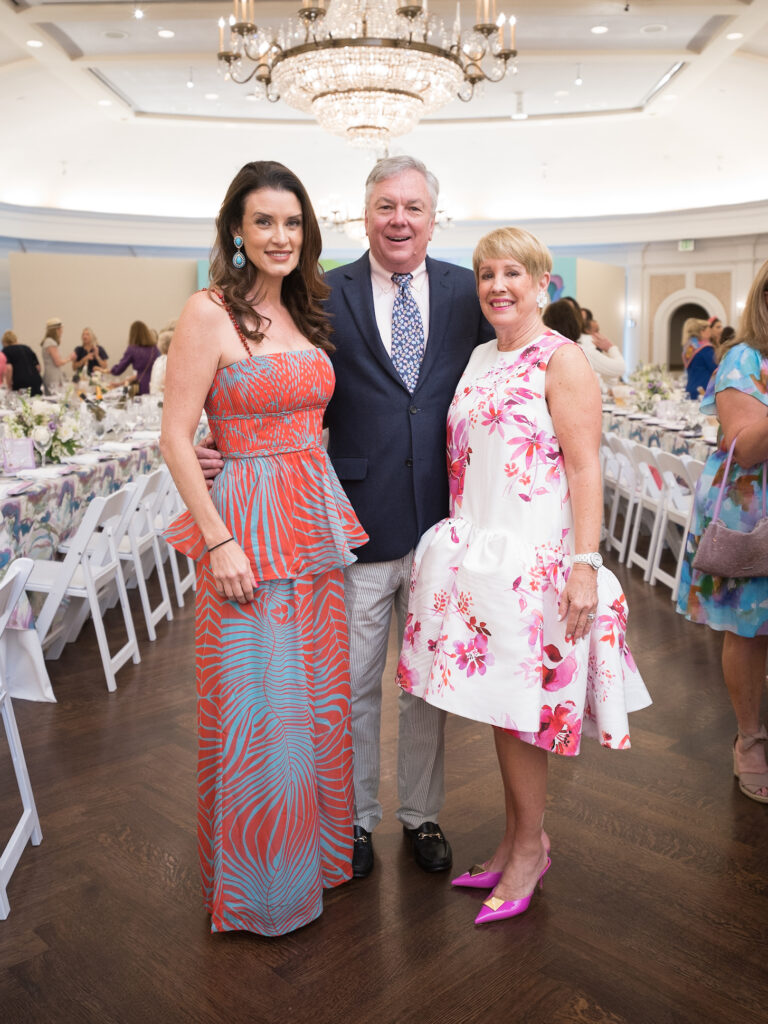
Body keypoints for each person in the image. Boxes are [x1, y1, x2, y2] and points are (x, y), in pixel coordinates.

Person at [196, 155, 494, 879]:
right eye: (386, 206)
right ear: (363, 215)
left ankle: (421, 814)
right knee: (350, 684)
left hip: (444, 526)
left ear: (434, 219)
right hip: (349, 523)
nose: (399, 220)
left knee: (427, 684)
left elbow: (507, 366)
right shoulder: (319, 292)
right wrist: (219, 441)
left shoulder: (467, 291)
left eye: (414, 208)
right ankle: (353, 821)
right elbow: (279, 382)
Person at [396, 227, 650, 925]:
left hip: (537, 561)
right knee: (500, 711)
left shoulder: (562, 359)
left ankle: (531, 852)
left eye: (513, 273)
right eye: (486, 274)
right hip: (481, 557)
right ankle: (516, 841)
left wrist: (584, 567)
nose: (497, 286)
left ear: (542, 284)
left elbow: (585, 469)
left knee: (523, 718)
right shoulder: (482, 355)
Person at [160, 160, 367, 936]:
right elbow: (175, 437)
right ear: (237, 233)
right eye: (264, 223)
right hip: (245, 529)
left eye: (293, 222)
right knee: (258, 708)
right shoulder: (207, 310)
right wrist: (219, 540)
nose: (281, 236)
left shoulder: (306, 311)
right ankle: (263, 892)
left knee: (316, 703)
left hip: (312, 525)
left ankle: (316, 863)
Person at [677, 260, 768, 803]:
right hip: (754, 518)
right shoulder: (744, 358)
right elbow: (747, 445)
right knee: (751, 628)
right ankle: (750, 740)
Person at [100, 320, 159, 395]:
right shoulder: (155, 348)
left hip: (141, 384)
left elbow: (119, 369)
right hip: (155, 383)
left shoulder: (132, 349)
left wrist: (109, 370)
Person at [578, 308, 626, 387]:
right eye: (596, 331)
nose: (598, 335)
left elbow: (610, 377)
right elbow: (620, 368)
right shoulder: (586, 343)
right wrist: (611, 347)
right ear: (587, 330)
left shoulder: (590, 345)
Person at [682, 317, 716, 399]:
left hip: (690, 388)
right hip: (703, 390)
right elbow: (715, 369)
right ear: (702, 332)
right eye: (709, 330)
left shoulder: (690, 347)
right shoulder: (706, 349)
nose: (711, 332)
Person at [2, 330, 43, 395]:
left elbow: (9, 368)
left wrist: (9, 385)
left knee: (22, 400)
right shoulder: (27, 348)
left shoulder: (6, 350)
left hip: (20, 383)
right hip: (36, 381)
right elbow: (38, 367)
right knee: (35, 399)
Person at [40, 316, 74, 393]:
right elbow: (58, 362)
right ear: (57, 330)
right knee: (55, 396)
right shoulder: (50, 342)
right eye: (61, 329)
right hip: (53, 377)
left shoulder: (48, 341)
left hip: (52, 375)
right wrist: (70, 358)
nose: (62, 331)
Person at [149, 326, 173, 395]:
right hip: (162, 396)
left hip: (154, 394)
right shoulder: (169, 360)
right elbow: (165, 382)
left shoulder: (158, 360)